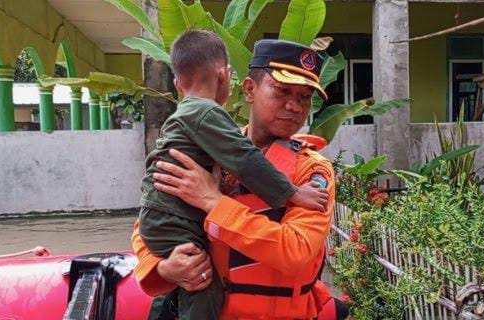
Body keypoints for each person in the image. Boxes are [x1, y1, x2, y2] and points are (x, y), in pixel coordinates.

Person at [132, 39, 349, 319]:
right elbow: (151, 217)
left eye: (304, 97)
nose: (295, 106)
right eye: (282, 91)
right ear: (249, 89)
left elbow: (295, 251)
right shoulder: (205, 144)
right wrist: (163, 268)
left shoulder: (311, 172)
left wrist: (213, 201)